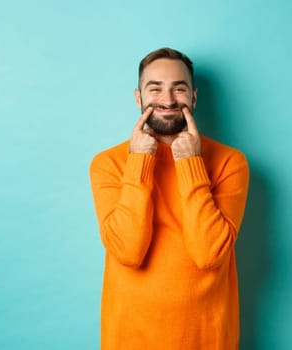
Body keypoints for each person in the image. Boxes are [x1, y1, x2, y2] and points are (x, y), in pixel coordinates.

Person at [88, 47, 250, 349]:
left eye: (179, 88)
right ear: (138, 98)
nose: (167, 99)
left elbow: (208, 254)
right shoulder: (108, 163)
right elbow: (128, 252)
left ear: (194, 97)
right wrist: (138, 162)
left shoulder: (230, 162)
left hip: (208, 339)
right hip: (129, 338)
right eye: (155, 88)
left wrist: (190, 163)